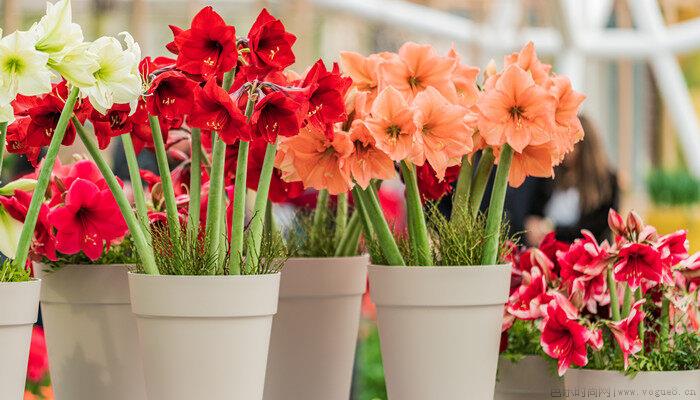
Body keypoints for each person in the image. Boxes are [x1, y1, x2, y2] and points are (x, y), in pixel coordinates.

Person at [524, 115, 619, 245]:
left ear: (585, 146)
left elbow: (595, 230)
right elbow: (534, 211)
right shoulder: (549, 174)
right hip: (548, 252)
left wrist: (550, 229)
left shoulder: (607, 181)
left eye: (571, 142)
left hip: (585, 256)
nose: (564, 148)